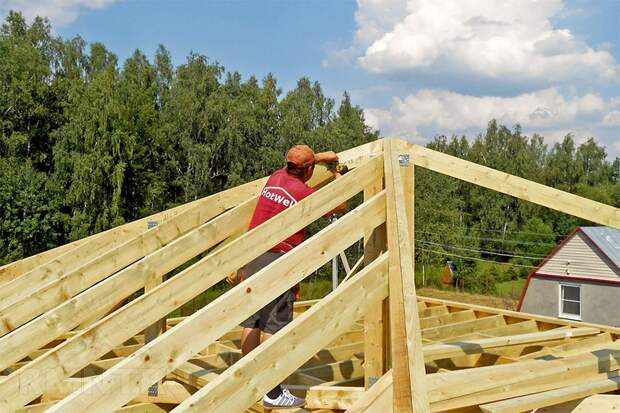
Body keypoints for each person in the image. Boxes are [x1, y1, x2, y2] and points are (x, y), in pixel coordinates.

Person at [237, 144, 345, 408]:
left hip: (252, 255)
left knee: (252, 322)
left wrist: (319, 158)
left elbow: (300, 162)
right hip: (278, 261)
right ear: (307, 170)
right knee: (274, 325)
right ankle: (272, 392)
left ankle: (245, 382)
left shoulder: (275, 177)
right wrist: (338, 173)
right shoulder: (304, 193)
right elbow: (341, 205)